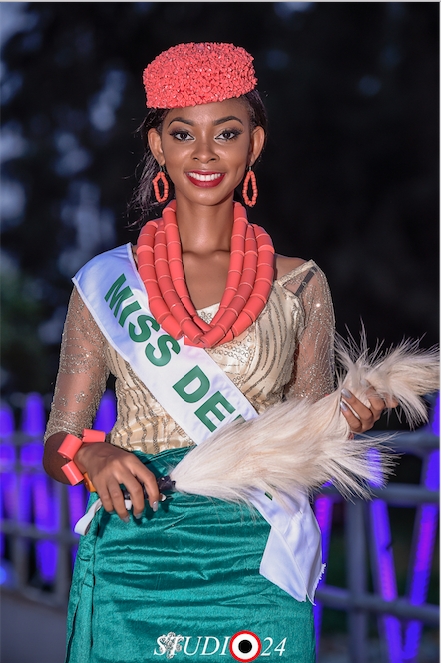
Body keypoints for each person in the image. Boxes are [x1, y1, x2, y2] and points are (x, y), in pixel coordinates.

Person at [43, 43, 389, 663]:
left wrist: (344, 423)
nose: (204, 154)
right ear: (158, 147)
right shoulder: (103, 284)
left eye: (226, 133)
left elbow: (308, 451)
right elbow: (57, 444)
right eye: (183, 133)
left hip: (256, 559)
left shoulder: (299, 284)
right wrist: (91, 453)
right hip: (137, 551)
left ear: (254, 144)